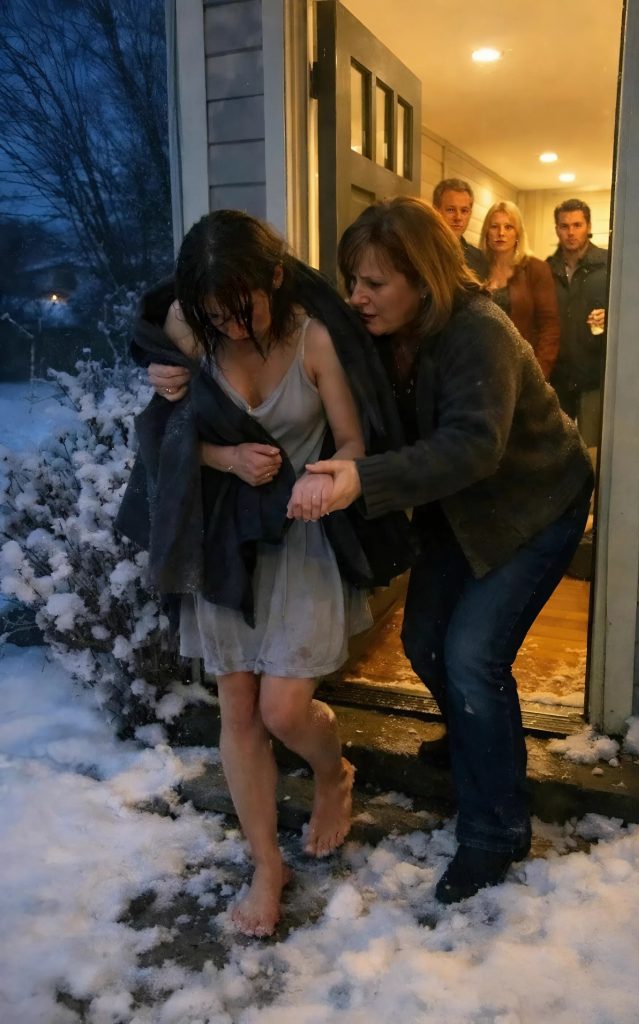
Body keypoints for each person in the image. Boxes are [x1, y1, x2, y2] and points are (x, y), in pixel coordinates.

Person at [116, 210, 412, 937]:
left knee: (284, 711)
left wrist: (327, 477)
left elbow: (354, 440)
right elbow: (163, 442)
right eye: (215, 314)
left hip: (300, 538)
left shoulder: (314, 339)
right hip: (226, 542)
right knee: (239, 711)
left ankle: (333, 773)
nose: (232, 327)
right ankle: (266, 866)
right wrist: (220, 453)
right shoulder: (192, 330)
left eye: (242, 308)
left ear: (274, 278)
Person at [290, 196, 594, 903]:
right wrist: (161, 352)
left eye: (374, 283)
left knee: (472, 658)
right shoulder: (379, 329)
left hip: (537, 504)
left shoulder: (478, 330)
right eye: (353, 281)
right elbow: (272, 285)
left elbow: (473, 446)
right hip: (460, 510)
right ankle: (473, 739)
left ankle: (496, 829)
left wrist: (364, 478)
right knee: (424, 640)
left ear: (423, 281)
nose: (357, 297)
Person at [547, 198, 608, 447]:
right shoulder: (545, 269)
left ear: (588, 226)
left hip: (594, 376)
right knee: (556, 449)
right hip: (556, 378)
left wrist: (611, 317)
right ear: (557, 229)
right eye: (564, 226)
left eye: (577, 225)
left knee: (591, 450)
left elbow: (630, 309)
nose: (571, 232)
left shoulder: (609, 264)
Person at [479, 200, 560, 380]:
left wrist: (537, 374)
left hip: (522, 370)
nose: (501, 233)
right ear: (486, 232)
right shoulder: (475, 268)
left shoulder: (536, 269)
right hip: (480, 368)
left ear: (518, 233)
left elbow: (550, 327)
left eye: (508, 227)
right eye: (494, 226)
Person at [432, 177, 489, 280]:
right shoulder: (419, 251)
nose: (458, 217)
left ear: (470, 213)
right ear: (435, 211)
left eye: (464, 211)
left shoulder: (479, 259)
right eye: (451, 210)